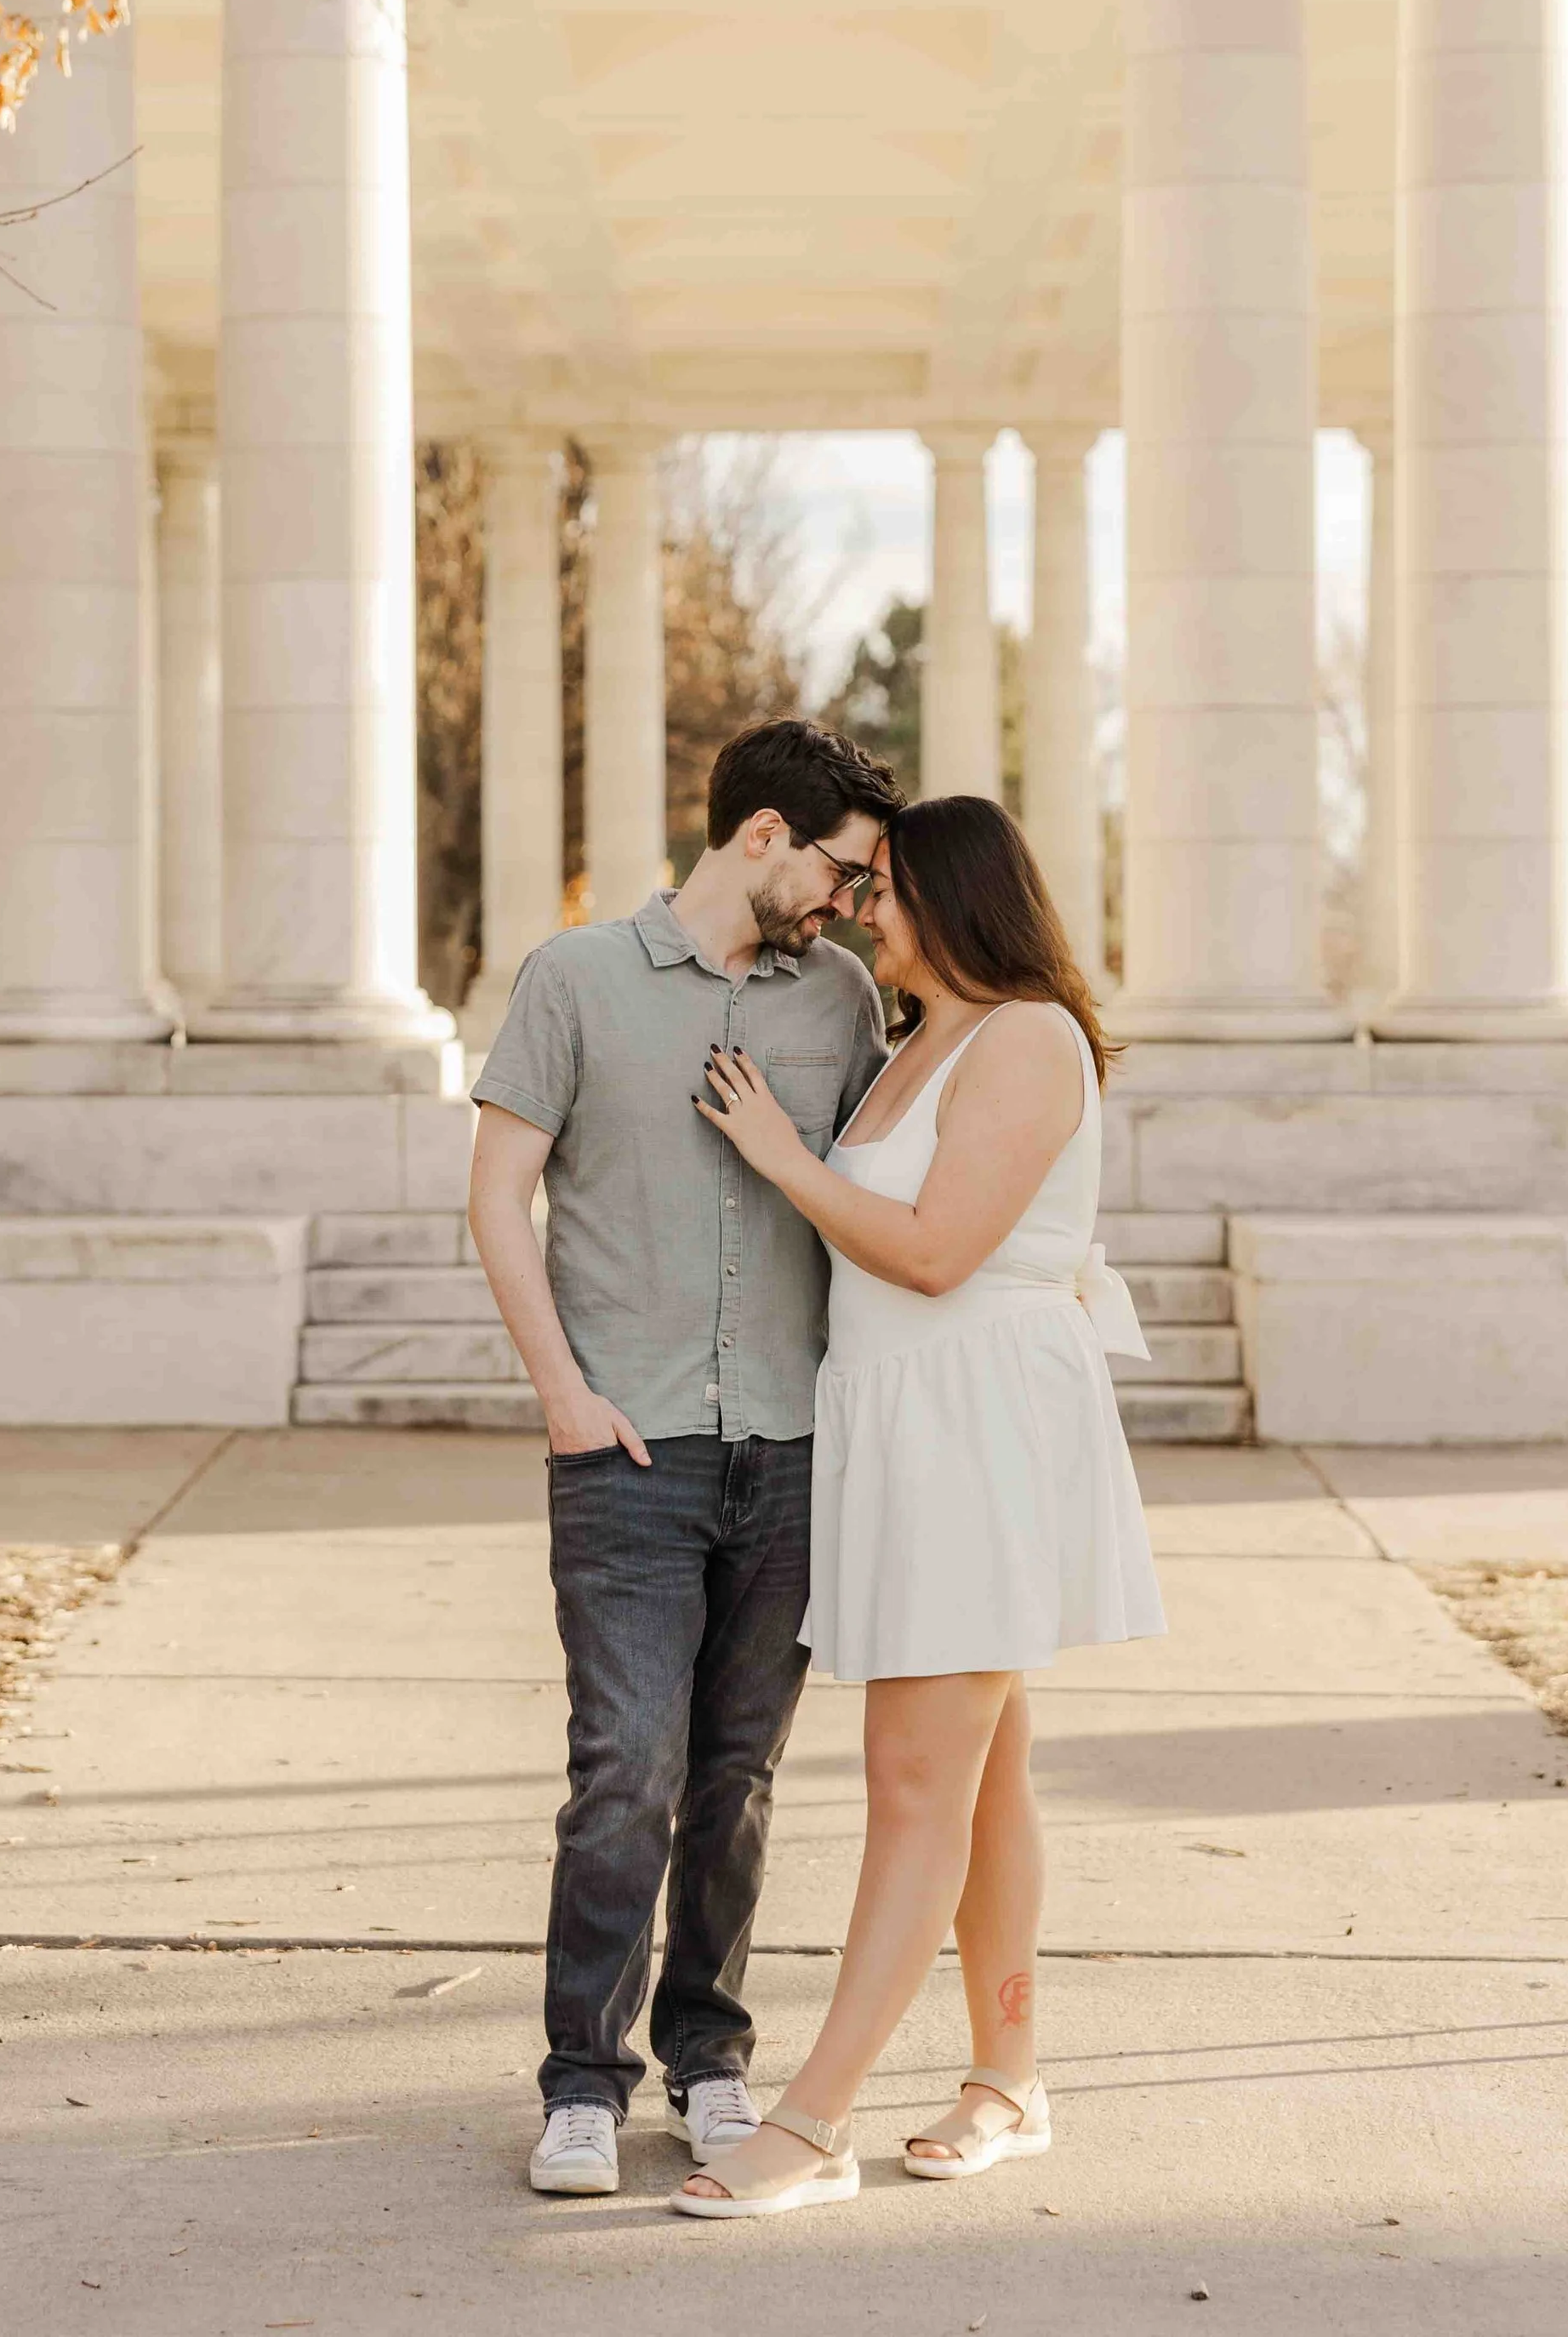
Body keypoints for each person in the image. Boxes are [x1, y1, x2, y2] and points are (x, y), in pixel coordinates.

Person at [669, 792, 1165, 2220]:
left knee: (913, 1779)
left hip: (978, 1424)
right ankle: (1009, 2080)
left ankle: (814, 2121)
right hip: (899, 1422)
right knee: (982, 1768)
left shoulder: (1027, 1036)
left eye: (882, 887)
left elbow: (942, 1251)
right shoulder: (911, 1045)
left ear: (951, 895)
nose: (859, 909)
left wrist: (781, 1158)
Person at [466, 717, 904, 2198]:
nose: (851, 900)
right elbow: (496, 1194)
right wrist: (561, 1394)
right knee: (624, 1768)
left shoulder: (839, 997)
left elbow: (875, 1193)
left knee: (740, 1775)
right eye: (841, 868)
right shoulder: (575, 977)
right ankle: (582, 2083)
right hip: (627, 1449)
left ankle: (710, 2059)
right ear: (765, 835)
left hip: (786, 1449)